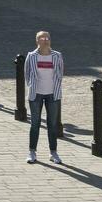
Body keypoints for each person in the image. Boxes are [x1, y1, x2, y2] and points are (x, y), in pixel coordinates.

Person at [24, 29, 65, 165]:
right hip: (36, 94)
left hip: (53, 94)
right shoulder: (31, 56)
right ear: (37, 41)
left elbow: (60, 72)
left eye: (47, 38)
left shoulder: (57, 56)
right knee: (35, 123)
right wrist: (32, 86)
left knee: (52, 124)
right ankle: (32, 151)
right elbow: (27, 74)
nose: (45, 40)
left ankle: (53, 152)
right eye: (42, 38)